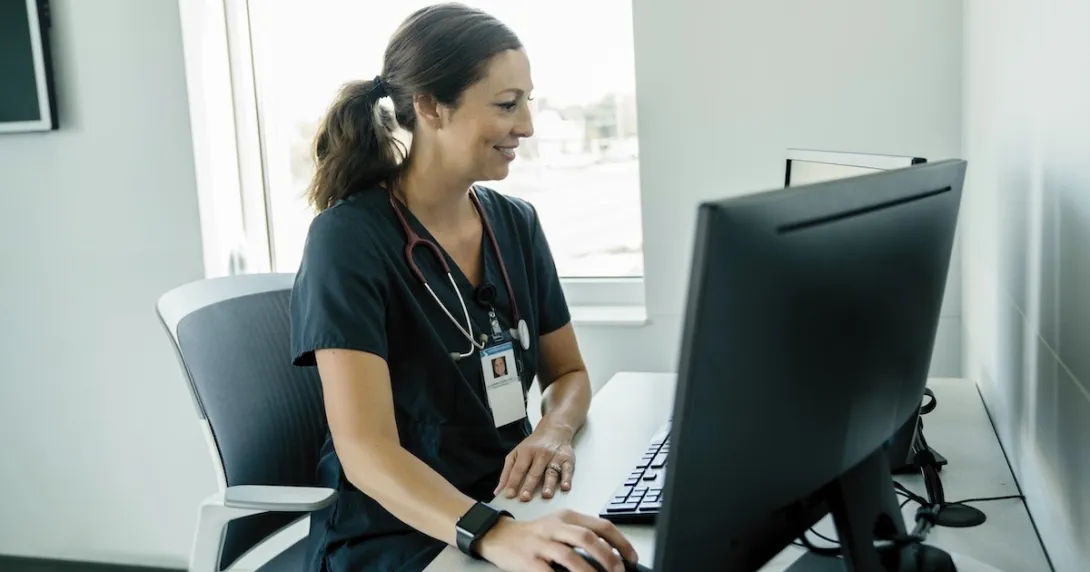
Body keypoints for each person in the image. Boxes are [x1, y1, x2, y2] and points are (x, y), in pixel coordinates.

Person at [288, 4, 639, 572]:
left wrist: (553, 431)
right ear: (430, 106)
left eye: (527, 101)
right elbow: (365, 452)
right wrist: (492, 533)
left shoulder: (515, 224)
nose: (525, 125)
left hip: (509, 500)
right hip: (399, 529)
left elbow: (569, 374)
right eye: (506, 105)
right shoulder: (348, 240)